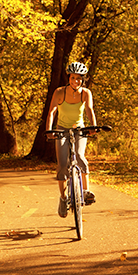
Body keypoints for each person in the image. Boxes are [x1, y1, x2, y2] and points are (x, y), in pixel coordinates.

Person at [45, 62, 97, 218]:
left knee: (80, 156)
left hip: (79, 129)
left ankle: (85, 191)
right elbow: (52, 111)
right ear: (69, 77)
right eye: (73, 78)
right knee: (62, 164)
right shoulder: (60, 92)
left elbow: (89, 110)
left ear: (82, 80)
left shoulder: (85, 93)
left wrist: (93, 127)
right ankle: (63, 198)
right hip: (62, 129)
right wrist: (49, 130)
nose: (76, 81)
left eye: (79, 78)